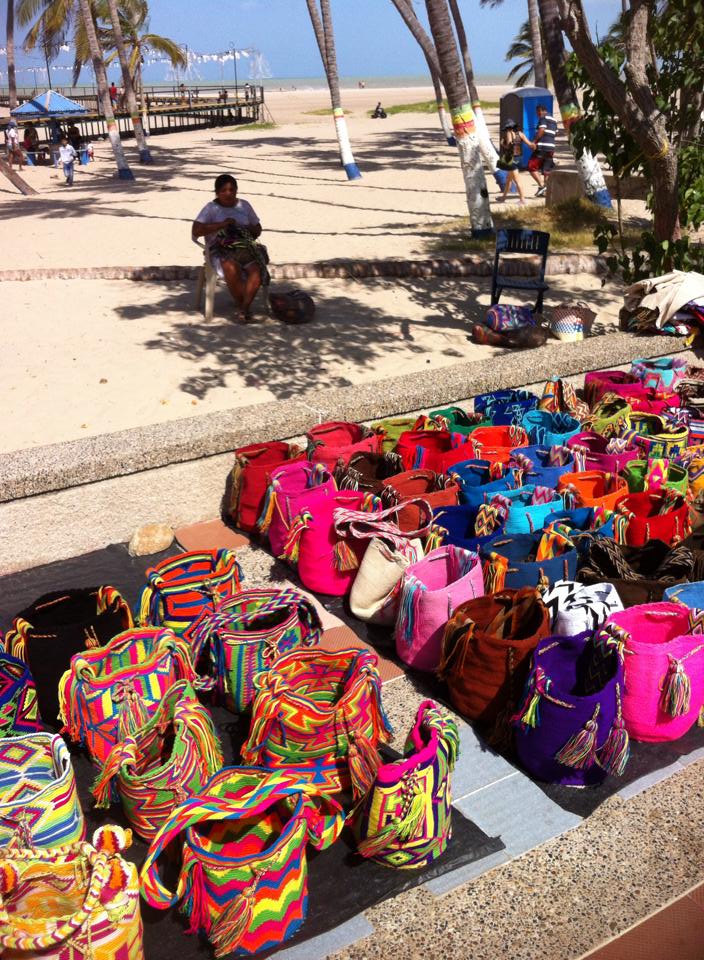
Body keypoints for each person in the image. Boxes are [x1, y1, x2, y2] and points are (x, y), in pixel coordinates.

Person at [192, 173, 267, 323]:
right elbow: (196, 231)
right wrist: (222, 224)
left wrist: (245, 228)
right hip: (219, 249)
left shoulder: (244, 205)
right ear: (217, 193)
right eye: (224, 190)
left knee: (256, 270)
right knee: (230, 267)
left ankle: (244, 308)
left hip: (244, 247)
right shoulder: (211, 208)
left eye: (232, 190)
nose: (228, 193)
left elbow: (258, 228)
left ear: (236, 190)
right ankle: (243, 306)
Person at [497, 120, 534, 205]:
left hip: (511, 159)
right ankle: (503, 198)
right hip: (519, 158)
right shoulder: (520, 134)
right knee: (508, 179)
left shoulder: (509, 133)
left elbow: (510, 144)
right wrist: (534, 146)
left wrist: (503, 144)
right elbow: (529, 144)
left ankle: (522, 199)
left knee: (517, 180)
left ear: (508, 128)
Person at [528, 103, 557, 197]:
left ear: (541, 111)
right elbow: (554, 133)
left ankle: (542, 186)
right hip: (551, 148)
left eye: (538, 112)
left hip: (542, 147)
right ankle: (546, 192)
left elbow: (542, 130)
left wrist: (534, 142)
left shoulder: (543, 118)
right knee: (546, 170)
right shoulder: (554, 120)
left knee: (531, 166)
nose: (538, 114)